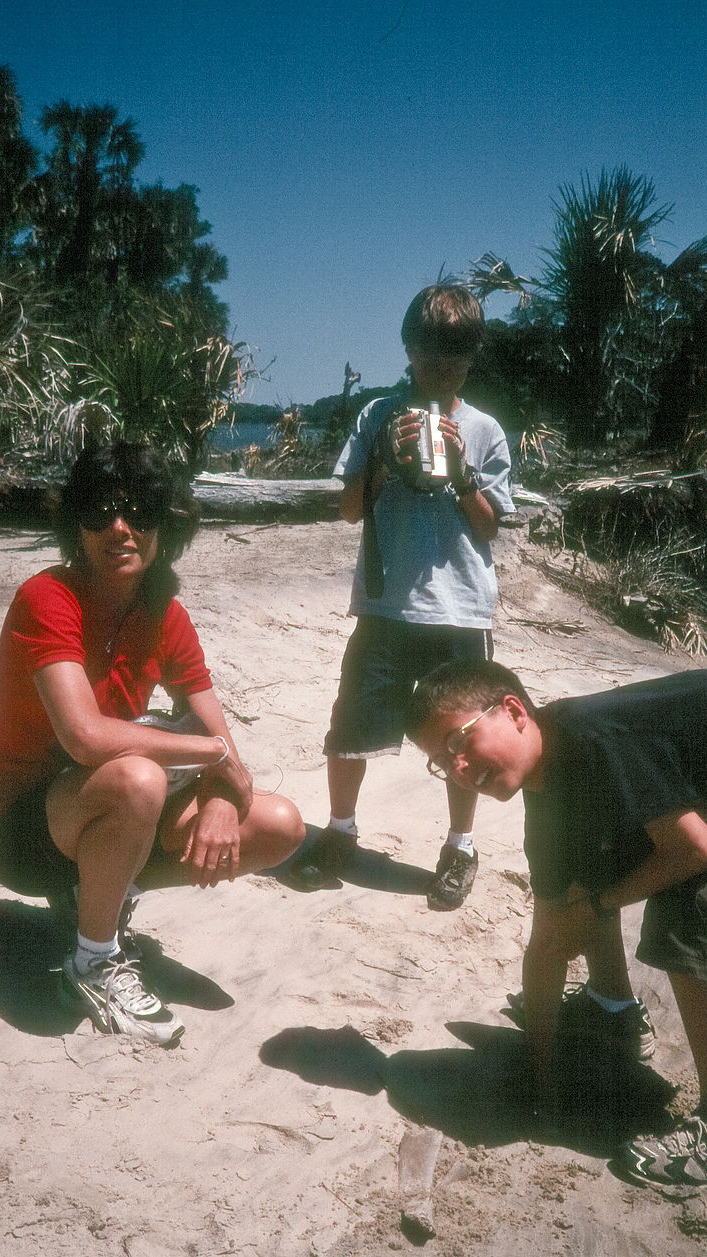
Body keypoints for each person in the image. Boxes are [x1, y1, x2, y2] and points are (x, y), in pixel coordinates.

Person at [405, 659, 707, 1195]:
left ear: (515, 711)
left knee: (692, 901)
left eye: (459, 741)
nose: (459, 767)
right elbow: (548, 938)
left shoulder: (601, 740)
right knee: (585, 873)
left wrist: (598, 905)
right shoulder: (548, 795)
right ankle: (613, 1011)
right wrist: (541, 1072)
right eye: (441, 763)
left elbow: (695, 849)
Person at [0, 442, 305, 1047]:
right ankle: (92, 962)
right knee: (139, 776)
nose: (120, 528)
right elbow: (86, 735)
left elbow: (219, 736)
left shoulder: (165, 614)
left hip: (90, 809)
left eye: (140, 509)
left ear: (166, 524)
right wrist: (211, 754)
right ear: (76, 524)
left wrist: (223, 802)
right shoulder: (48, 596)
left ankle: (100, 892)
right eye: (100, 510)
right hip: (14, 827)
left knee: (278, 824)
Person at [290, 284, 514, 909]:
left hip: (460, 608)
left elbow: (492, 525)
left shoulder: (485, 429)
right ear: (409, 349)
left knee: (465, 738)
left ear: (472, 355)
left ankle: (460, 847)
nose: (443, 362)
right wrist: (387, 459)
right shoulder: (376, 415)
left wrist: (462, 473)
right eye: (431, 348)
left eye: (458, 351)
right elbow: (347, 509)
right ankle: (340, 833)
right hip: (386, 607)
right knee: (350, 727)